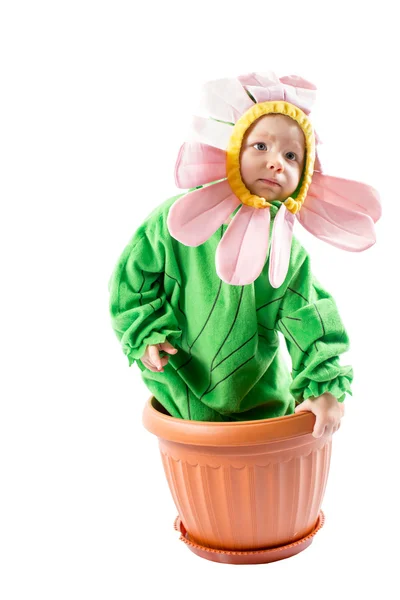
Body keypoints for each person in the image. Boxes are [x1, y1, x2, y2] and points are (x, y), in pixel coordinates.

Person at [108, 71, 381, 438]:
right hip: (179, 386)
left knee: (270, 486)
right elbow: (132, 278)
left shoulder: (285, 250)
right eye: (261, 147)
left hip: (263, 401)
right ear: (232, 147)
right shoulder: (176, 221)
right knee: (201, 490)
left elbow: (309, 314)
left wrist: (325, 388)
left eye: (291, 155)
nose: (276, 163)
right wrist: (146, 334)